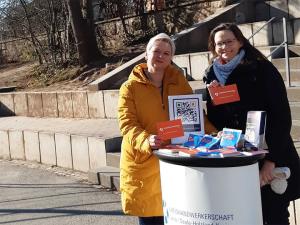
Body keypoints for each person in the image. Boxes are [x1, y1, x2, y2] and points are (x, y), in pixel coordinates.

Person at [204, 23, 300, 224]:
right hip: (238, 157)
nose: (224, 47)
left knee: (275, 215)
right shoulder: (211, 74)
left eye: (229, 41)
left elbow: (282, 117)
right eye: (219, 43)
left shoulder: (261, 68)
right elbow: (219, 122)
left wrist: (270, 161)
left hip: (271, 153)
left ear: (240, 41)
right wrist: (214, 101)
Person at [118, 33, 217, 225]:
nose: (161, 56)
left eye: (166, 52)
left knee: (176, 216)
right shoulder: (129, 87)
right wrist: (146, 140)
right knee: (150, 218)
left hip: (174, 159)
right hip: (144, 158)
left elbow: (194, 115)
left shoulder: (179, 81)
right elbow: (127, 123)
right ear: (146, 55)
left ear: (171, 57)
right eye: (156, 51)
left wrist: (214, 133)